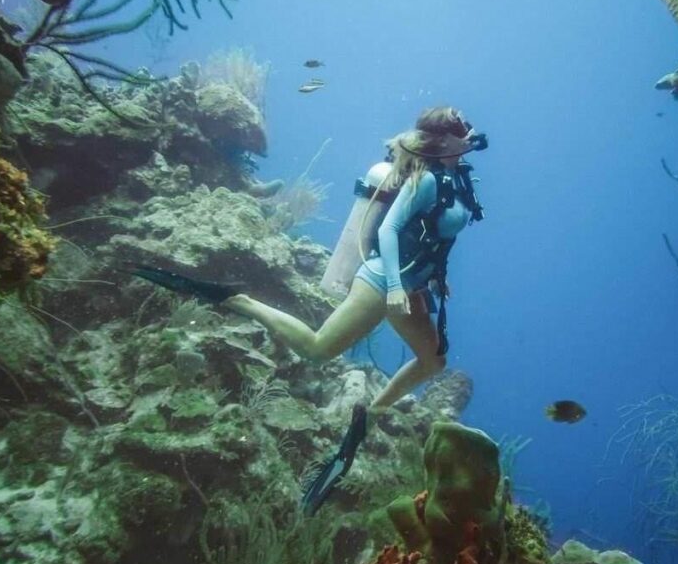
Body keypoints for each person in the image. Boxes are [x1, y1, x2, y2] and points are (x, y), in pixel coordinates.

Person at [129, 106, 488, 514]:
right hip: (382, 284)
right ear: (443, 140)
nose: (470, 133)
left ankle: (369, 416)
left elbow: (432, 235)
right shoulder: (424, 181)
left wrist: (437, 277)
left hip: (412, 285)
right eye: (462, 129)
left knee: (433, 361)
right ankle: (239, 301)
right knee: (317, 350)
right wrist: (392, 286)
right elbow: (388, 231)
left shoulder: (456, 178)